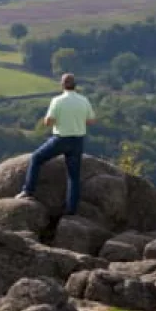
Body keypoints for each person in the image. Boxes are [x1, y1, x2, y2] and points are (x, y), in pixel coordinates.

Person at [17, 73, 95, 215]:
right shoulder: (84, 100)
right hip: (77, 140)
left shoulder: (57, 101)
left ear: (62, 85)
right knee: (74, 175)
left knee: (36, 158)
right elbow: (90, 121)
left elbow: (49, 121)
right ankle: (71, 210)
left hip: (60, 139)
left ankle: (28, 191)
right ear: (75, 85)